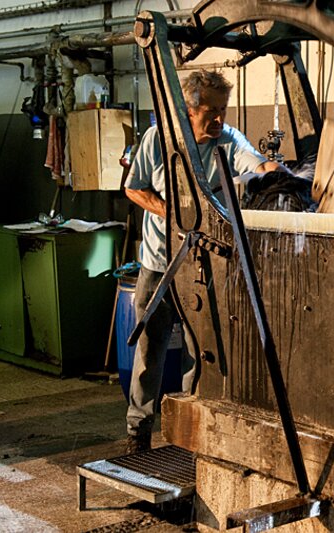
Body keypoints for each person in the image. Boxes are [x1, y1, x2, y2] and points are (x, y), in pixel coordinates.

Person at [123, 69, 284, 453]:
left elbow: (257, 163)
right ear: (188, 110)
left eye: (223, 111)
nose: (219, 120)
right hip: (160, 263)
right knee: (150, 351)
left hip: (205, 266)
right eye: (211, 112)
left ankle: (190, 434)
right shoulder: (158, 139)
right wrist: (176, 214)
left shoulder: (226, 139)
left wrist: (283, 176)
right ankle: (138, 432)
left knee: (205, 353)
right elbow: (134, 188)